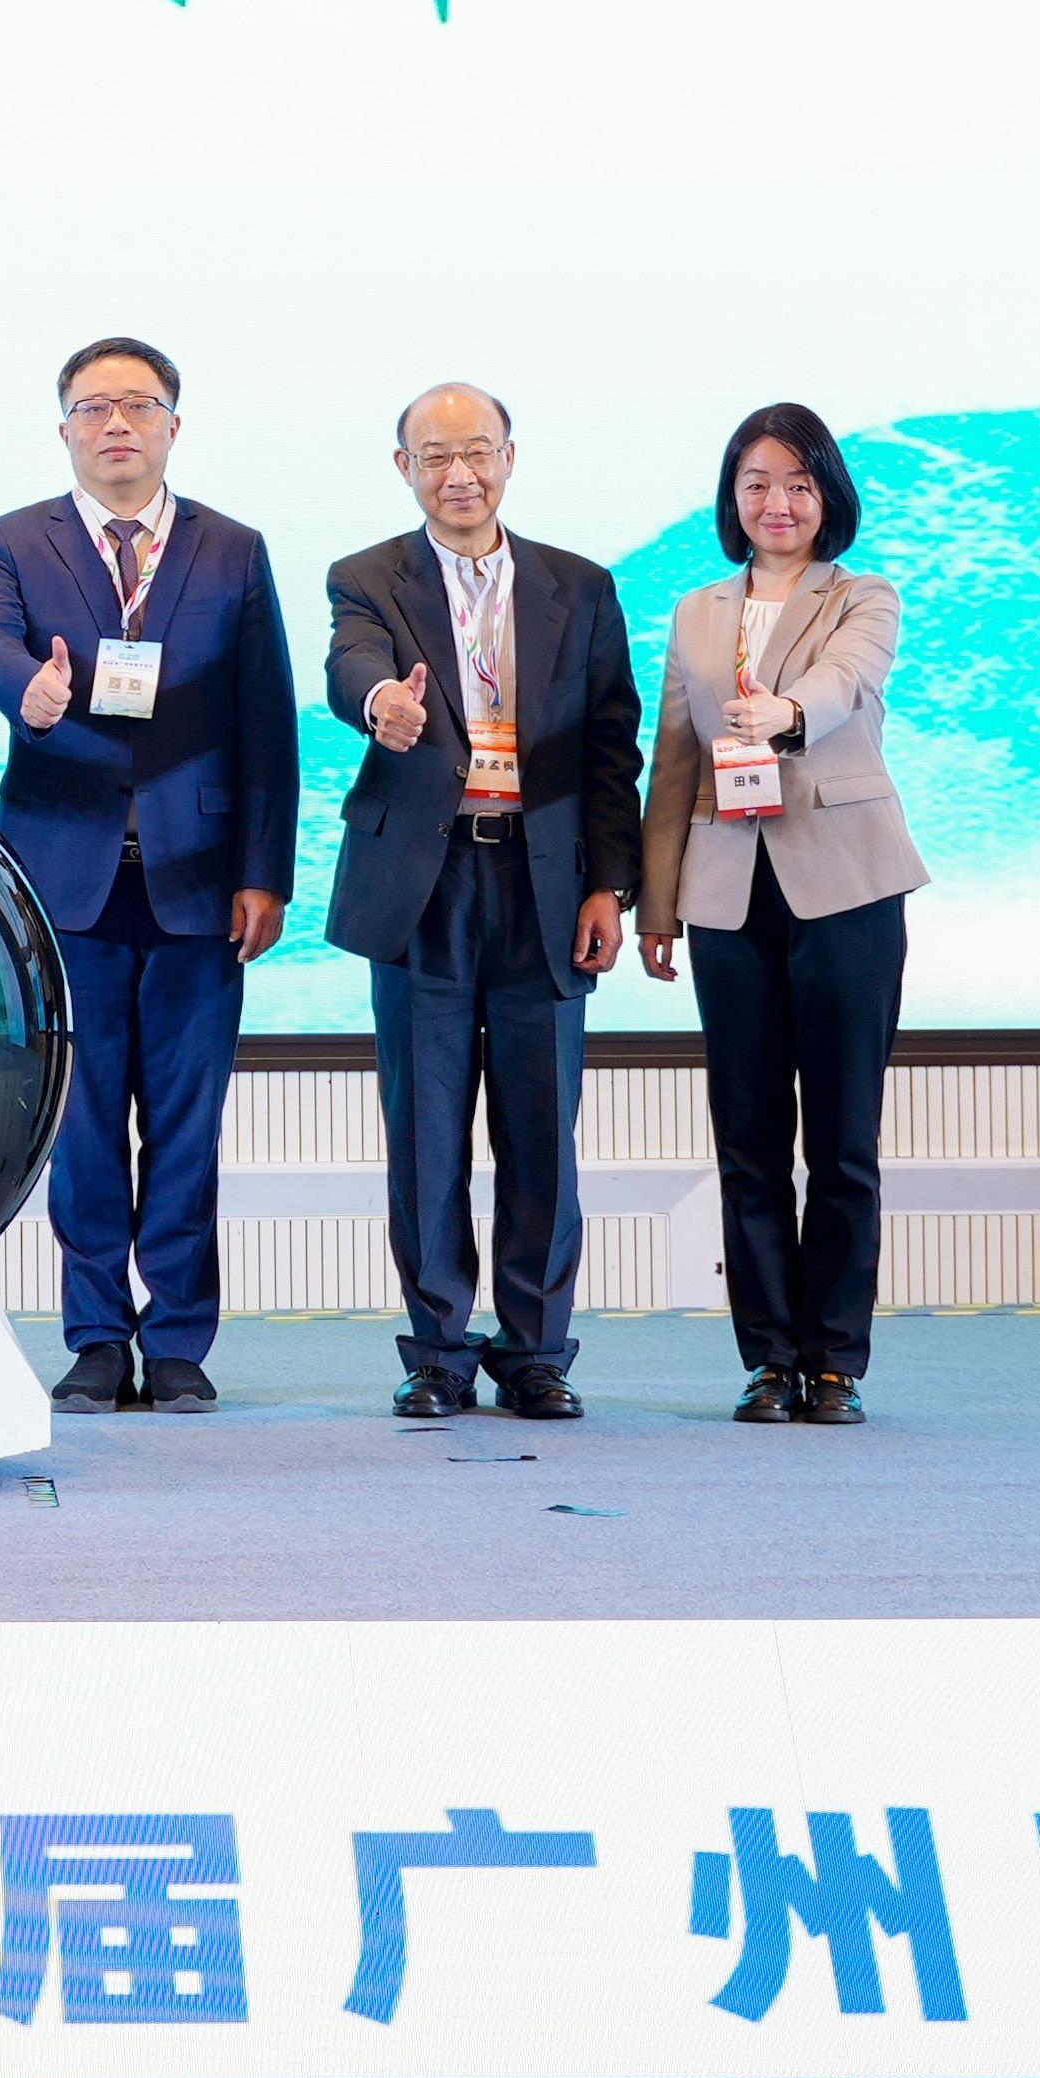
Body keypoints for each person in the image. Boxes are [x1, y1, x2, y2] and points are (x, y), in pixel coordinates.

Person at [0, 336, 295, 1413]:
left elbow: (268, 717)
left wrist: (266, 872)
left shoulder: (232, 548)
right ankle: (99, 1337)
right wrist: (27, 689)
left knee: (187, 1128)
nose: (116, 424)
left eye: (138, 405)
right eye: (94, 407)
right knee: (86, 1125)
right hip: (68, 880)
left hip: (201, 881)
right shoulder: (15, 539)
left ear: (172, 427)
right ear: (63, 427)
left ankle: (182, 1340)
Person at [320, 382, 638, 1423]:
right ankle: (439, 1354)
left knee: (543, 1128)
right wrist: (383, 703)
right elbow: (351, 663)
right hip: (428, 881)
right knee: (427, 1132)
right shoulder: (369, 575)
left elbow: (611, 747)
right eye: (435, 456)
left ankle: (537, 1353)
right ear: (403, 468)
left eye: (477, 452)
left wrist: (611, 885)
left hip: (546, 881)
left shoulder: (578, 586)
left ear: (509, 456)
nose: (459, 474)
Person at [635, 404, 925, 1425]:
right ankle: (767, 1358)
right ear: (732, 497)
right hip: (726, 892)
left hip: (846, 887)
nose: (778, 503)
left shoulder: (864, 596)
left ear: (827, 495)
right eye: (756, 482)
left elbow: (847, 683)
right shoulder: (697, 612)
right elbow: (675, 760)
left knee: (843, 1142)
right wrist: (657, 903)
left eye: (798, 484)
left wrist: (785, 712)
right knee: (748, 1139)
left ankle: (836, 1360)